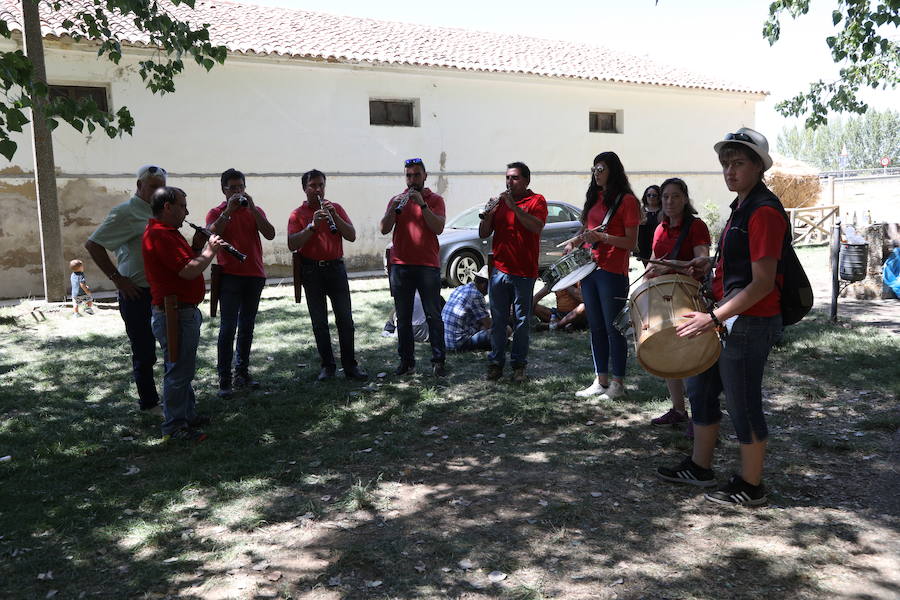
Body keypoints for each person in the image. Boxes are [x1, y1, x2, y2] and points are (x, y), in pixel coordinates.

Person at [657, 127, 786, 507]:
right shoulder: (742, 206)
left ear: (758, 166)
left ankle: (751, 485)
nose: (730, 170)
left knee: (743, 400)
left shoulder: (763, 210)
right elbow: (741, 263)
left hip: (748, 320)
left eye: (739, 163)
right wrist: (707, 263)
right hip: (727, 317)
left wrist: (712, 318)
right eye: (726, 163)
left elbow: (762, 283)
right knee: (700, 389)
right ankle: (700, 467)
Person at [143, 186, 227, 442]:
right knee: (178, 371)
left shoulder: (168, 233)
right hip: (175, 314)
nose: (186, 211)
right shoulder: (160, 235)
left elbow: (181, 264)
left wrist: (196, 247)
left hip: (181, 312)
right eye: (182, 206)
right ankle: (175, 426)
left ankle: (187, 415)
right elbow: (189, 271)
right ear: (167, 207)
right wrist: (210, 252)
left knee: (183, 369)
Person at [85, 164, 168, 415]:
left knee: (170, 348)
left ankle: (174, 399)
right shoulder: (125, 212)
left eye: (161, 186)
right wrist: (117, 279)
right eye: (153, 186)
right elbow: (94, 245)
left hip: (162, 291)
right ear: (139, 186)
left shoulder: (161, 211)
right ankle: (149, 403)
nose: (158, 191)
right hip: (136, 293)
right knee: (144, 350)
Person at [568, 152, 641, 400]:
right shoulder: (594, 198)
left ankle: (617, 383)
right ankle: (601, 380)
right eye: (594, 168)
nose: (596, 173)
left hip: (612, 272)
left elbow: (631, 241)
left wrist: (603, 238)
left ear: (613, 170)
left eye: (601, 168)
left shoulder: (627, 201)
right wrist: (577, 240)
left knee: (614, 329)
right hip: (589, 269)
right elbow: (587, 228)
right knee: (595, 327)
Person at [197, 168, 275, 396]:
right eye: (233, 188)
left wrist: (253, 209)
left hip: (254, 274)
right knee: (228, 327)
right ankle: (224, 378)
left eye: (241, 187)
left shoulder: (254, 210)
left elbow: (269, 234)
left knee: (247, 326)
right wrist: (228, 212)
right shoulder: (216, 212)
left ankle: (242, 373)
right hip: (229, 275)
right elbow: (211, 235)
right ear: (224, 190)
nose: (238, 191)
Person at [643, 178, 711, 437]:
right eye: (665, 197)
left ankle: (700, 416)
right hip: (662, 296)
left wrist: (669, 265)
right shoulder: (659, 228)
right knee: (669, 351)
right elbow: (653, 261)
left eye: (675, 196)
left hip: (687, 296)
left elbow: (702, 261)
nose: (669, 201)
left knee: (691, 355)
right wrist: (650, 271)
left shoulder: (696, 226)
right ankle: (678, 410)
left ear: (684, 198)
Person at [287, 169, 367, 381]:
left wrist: (335, 217)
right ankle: (328, 366)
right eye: (313, 186)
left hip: (335, 269)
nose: (317, 189)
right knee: (319, 321)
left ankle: (350, 366)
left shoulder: (336, 208)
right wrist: (312, 226)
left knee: (345, 319)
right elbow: (292, 243)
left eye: (321, 185)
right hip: (311, 271)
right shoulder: (297, 214)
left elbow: (351, 235)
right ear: (305, 188)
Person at [479, 161, 548, 382]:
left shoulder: (537, 201)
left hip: (524, 271)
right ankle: (496, 363)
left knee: (521, 321)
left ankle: (519, 365)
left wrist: (514, 206)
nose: (510, 182)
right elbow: (483, 233)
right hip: (499, 270)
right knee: (498, 320)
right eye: (508, 178)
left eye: (515, 178)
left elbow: (536, 226)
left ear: (527, 180)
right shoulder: (500, 203)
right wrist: (489, 214)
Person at [380, 158, 447, 377]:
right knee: (404, 317)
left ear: (425, 176)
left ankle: (438, 361)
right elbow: (383, 229)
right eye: (408, 175)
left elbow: (437, 227)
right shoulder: (397, 200)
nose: (412, 179)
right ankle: (406, 362)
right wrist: (393, 209)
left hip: (427, 266)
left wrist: (422, 205)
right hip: (401, 265)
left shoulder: (435, 200)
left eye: (416, 175)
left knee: (433, 315)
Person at [442, 265, 492, 352]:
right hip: (458, 343)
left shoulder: (461, 288)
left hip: (444, 341)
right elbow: (488, 325)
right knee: (505, 330)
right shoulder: (476, 295)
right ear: (484, 285)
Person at [635, 185, 661, 266]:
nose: (651, 197)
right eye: (649, 195)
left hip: (657, 245)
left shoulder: (663, 211)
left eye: (654, 195)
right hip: (643, 246)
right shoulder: (641, 210)